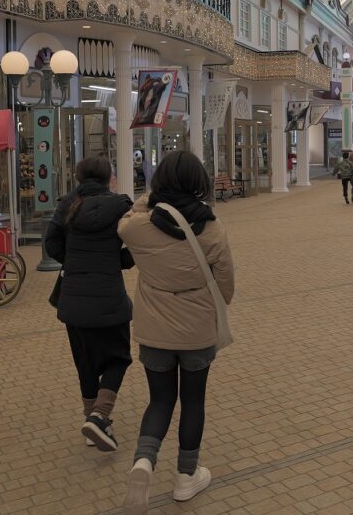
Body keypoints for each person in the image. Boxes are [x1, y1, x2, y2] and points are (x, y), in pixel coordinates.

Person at [117, 151, 235, 514]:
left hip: (154, 327)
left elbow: (126, 219)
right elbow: (226, 286)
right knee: (193, 401)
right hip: (197, 328)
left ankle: (144, 461)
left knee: (160, 400)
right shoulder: (213, 229)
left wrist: (150, 197)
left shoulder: (138, 227)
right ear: (200, 182)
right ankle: (186, 476)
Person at [44, 156, 134, 451]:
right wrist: (116, 260)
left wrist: (75, 261)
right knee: (118, 358)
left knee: (85, 364)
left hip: (74, 300)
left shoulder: (66, 205)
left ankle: (91, 422)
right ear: (109, 177)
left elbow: (52, 244)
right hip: (110, 299)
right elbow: (136, 245)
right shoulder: (121, 206)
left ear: (78, 178)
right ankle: (99, 416)